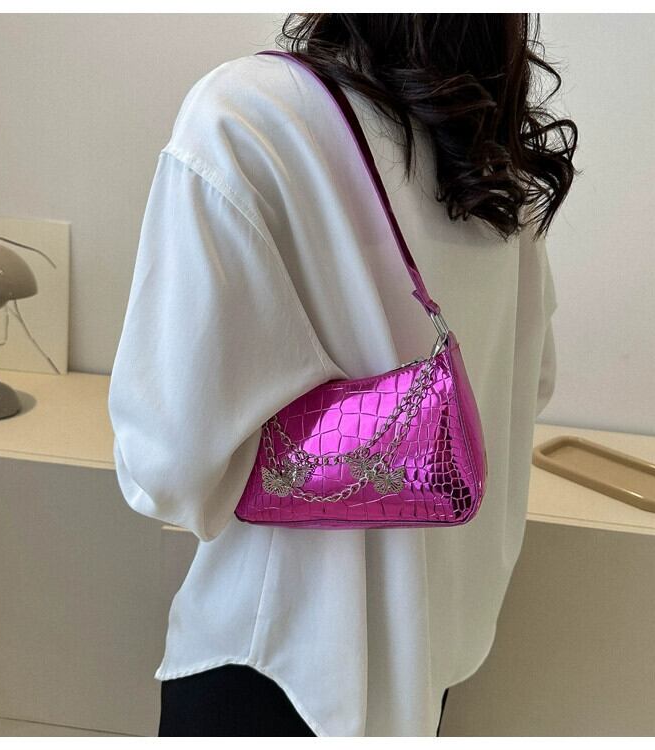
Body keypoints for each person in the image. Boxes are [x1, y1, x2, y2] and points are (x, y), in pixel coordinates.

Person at [107, 13, 577, 737]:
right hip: (434, 658)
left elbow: (166, 464)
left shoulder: (249, 112)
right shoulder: (488, 143)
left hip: (274, 661)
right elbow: (532, 382)